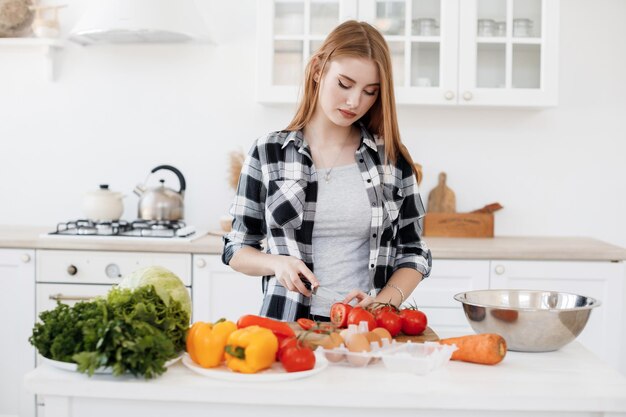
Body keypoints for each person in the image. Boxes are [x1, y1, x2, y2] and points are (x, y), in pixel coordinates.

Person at [222, 20, 432, 321]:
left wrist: (381, 305)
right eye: (344, 84)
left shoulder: (391, 160)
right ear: (318, 70)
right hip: (287, 326)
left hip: (364, 329)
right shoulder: (268, 152)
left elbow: (414, 251)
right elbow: (237, 248)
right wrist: (277, 264)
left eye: (370, 92)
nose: (354, 101)